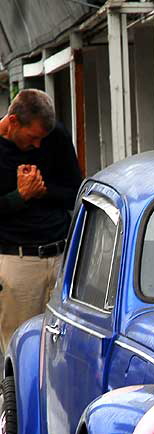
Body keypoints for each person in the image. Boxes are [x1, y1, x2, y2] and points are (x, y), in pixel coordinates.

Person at [0, 89, 82, 352]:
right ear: (13, 122)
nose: (37, 145)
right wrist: (20, 196)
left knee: (64, 347)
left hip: (60, 254)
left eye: (42, 139)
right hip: (17, 261)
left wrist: (43, 190)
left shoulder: (55, 137)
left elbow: (76, 193)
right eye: (33, 138)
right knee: (21, 348)